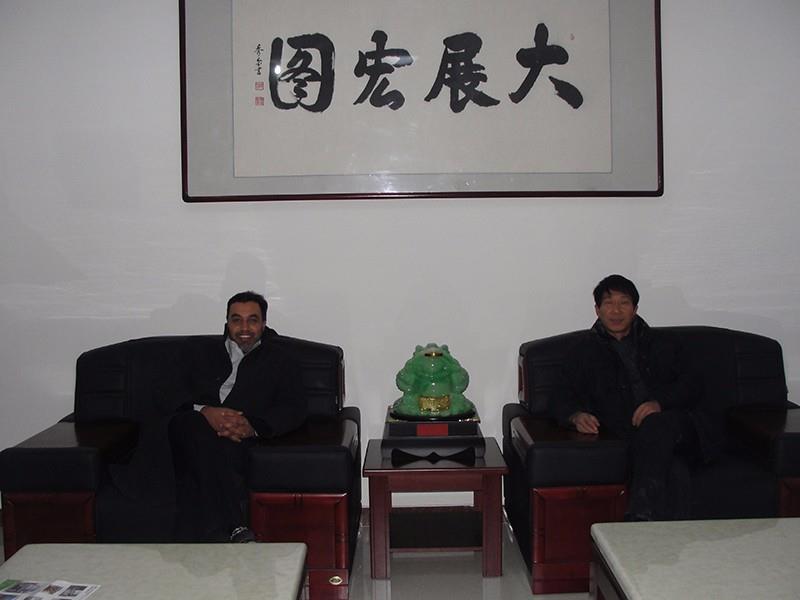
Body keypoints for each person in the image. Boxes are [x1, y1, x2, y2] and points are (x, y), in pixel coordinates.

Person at [551, 275, 707, 521]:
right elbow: (559, 395)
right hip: (628, 433)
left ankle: (638, 517)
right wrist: (575, 416)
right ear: (597, 310)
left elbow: (692, 384)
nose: (616, 311)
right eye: (609, 303)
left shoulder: (664, 344)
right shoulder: (582, 352)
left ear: (635, 309)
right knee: (674, 470)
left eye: (624, 303)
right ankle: (665, 539)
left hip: (676, 426)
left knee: (656, 424)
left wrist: (659, 403)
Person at [163, 291, 307, 542]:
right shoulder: (200, 353)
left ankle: (199, 538)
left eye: (252, 320)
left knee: (211, 452)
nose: (244, 328)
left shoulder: (281, 359)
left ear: (264, 323)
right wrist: (205, 412)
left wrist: (253, 427)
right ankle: (235, 525)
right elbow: (170, 393)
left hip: (238, 437)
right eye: (236, 320)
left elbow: (294, 408)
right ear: (227, 322)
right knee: (193, 425)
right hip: (187, 426)